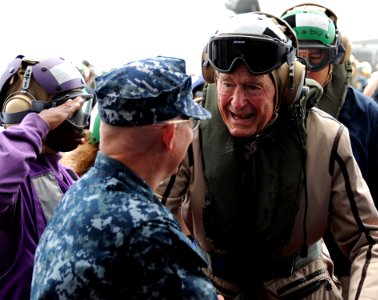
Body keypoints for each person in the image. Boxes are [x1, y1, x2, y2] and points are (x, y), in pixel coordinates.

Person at [156, 12, 378, 299]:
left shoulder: (327, 138)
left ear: (286, 86)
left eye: (253, 86)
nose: (237, 102)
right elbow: (154, 227)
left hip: (304, 289)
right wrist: (190, 289)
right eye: (227, 84)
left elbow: (370, 242)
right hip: (213, 289)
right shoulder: (192, 134)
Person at [31, 56, 221, 299]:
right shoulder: (146, 229)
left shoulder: (78, 193)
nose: (192, 133)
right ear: (170, 134)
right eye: (190, 122)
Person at [281, 4, 378, 299]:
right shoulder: (256, 113)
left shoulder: (364, 115)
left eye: (315, 57)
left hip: (353, 273)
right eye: (294, 55)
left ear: (335, 59)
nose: (303, 68)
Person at [0, 55, 93, 300]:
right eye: (68, 110)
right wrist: (35, 127)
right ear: (23, 111)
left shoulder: (64, 174)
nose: (79, 121)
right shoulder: (16, 179)